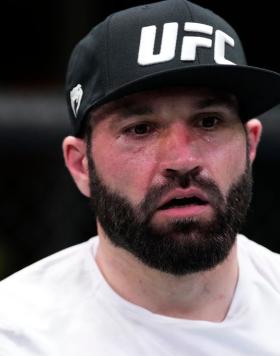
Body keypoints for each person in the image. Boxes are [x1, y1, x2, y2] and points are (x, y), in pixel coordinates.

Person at [1, 0, 280, 355]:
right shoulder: (17, 336)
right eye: (141, 129)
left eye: (209, 121)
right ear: (81, 165)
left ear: (250, 145)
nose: (183, 159)